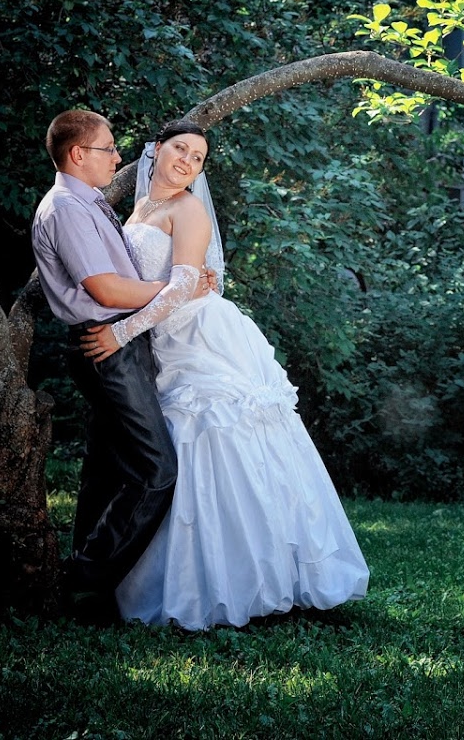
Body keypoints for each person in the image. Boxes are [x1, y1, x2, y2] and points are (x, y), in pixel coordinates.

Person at [79, 119, 368, 629]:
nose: (188, 162)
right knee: (173, 448)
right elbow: (150, 281)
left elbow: (183, 286)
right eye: (181, 149)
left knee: (212, 436)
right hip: (163, 336)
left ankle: (252, 581)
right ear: (156, 150)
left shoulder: (188, 209)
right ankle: (181, 579)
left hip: (200, 337)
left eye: (198, 157)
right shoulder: (141, 207)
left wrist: (119, 335)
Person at [30, 109, 213, 622]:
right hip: (106, 344)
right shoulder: (67, 207)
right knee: (158, 469)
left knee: (107, 467)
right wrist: (181, 286)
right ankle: (84, 582)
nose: (118, 156)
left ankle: (87, 584)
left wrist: (181, 288)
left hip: (123, 341)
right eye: (109, 148)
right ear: (77, 155)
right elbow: (106, 289)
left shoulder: (94, 205)